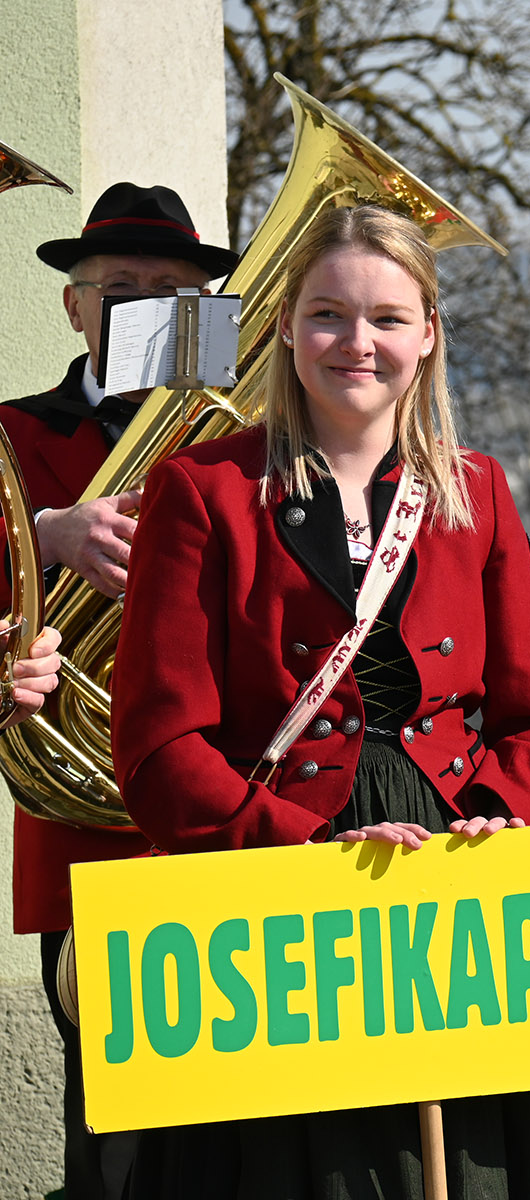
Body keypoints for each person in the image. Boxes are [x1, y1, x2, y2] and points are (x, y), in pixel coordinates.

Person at [108, 204, 530, 1199]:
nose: (357, 343)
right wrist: (298, 851)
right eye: (328, 314)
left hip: (452, 906)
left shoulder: (481, 490)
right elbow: (160, 746)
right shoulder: (198, 488)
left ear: (428, 335)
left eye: (386, 318)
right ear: (285, 328)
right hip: (269, 894)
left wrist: (491, 823)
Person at [4, 181, 236, 1200]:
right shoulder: (10, 435)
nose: (143, 305)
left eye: (169, 289)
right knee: (120, 1133)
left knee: (249, 1127)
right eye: (119, 287)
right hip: (94, 826)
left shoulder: (254, 435)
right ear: (72, 306)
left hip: (244, 811)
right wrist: (45, 536)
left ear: (203, 313)